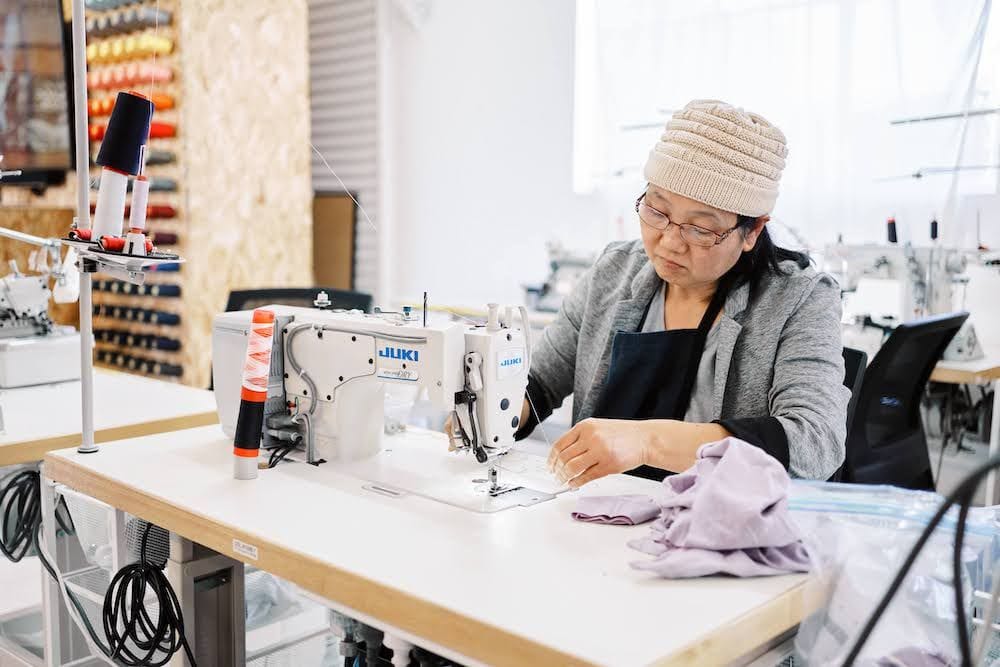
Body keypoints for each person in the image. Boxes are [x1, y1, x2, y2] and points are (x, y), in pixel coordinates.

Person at [517, 99, 849, 487]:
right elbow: (537, 383)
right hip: (596, 517)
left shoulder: (799, 299)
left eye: (701, 229)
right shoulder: (615, 271)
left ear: (753, 231)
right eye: (657, 212)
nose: (670, 243)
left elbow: (815, 440)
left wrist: (647, 441)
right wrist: (492, 411)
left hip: (718, 530)